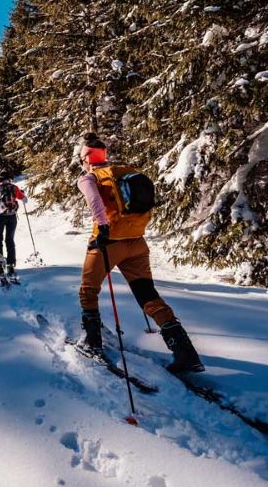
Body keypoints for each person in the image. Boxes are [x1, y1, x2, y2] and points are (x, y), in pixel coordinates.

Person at [76, 132, 204, 374]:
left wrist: (102, 226)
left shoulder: (89, 177)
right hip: (136, 242)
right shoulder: (124, 171)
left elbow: (94, 201)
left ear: (86, 158)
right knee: (147, 294)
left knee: (88, 290)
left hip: (108, 243)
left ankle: (92, 344)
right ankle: (185, 352)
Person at [0, 171, 26, 278]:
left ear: (0, 179)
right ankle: (10, 263)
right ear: (10, 178)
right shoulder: (14, 188)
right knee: (9, 240)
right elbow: (24, 199)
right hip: (12, 217)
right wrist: (22, 195)